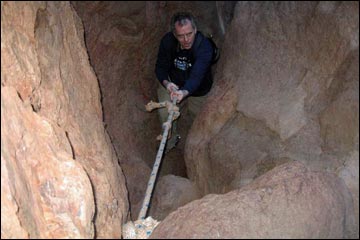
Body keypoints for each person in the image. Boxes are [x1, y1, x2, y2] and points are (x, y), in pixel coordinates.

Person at [155, 12, 214, 152]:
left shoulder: (204, 46)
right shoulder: (168, 42)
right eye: (181, 36)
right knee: (165, 113)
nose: (186, 39)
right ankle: (170, 139)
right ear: (175, 34)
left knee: (199, 119)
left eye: (189, 34)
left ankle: (196, 148)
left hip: (198, 88)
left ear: (195, 30)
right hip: (173, 84)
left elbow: (197, 76)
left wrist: (184, 92)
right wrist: (167, 84)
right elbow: (160, 67)